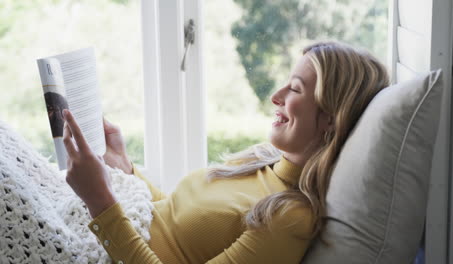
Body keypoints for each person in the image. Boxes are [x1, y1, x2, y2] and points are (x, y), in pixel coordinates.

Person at [62, 41, 390, 264]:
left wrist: (100, 202)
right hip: (108, 236)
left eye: (295, 89)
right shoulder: (264, 158)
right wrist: (127, 168)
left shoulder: (290, 218)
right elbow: (175, 223)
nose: (276, 97)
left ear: (330, 120)